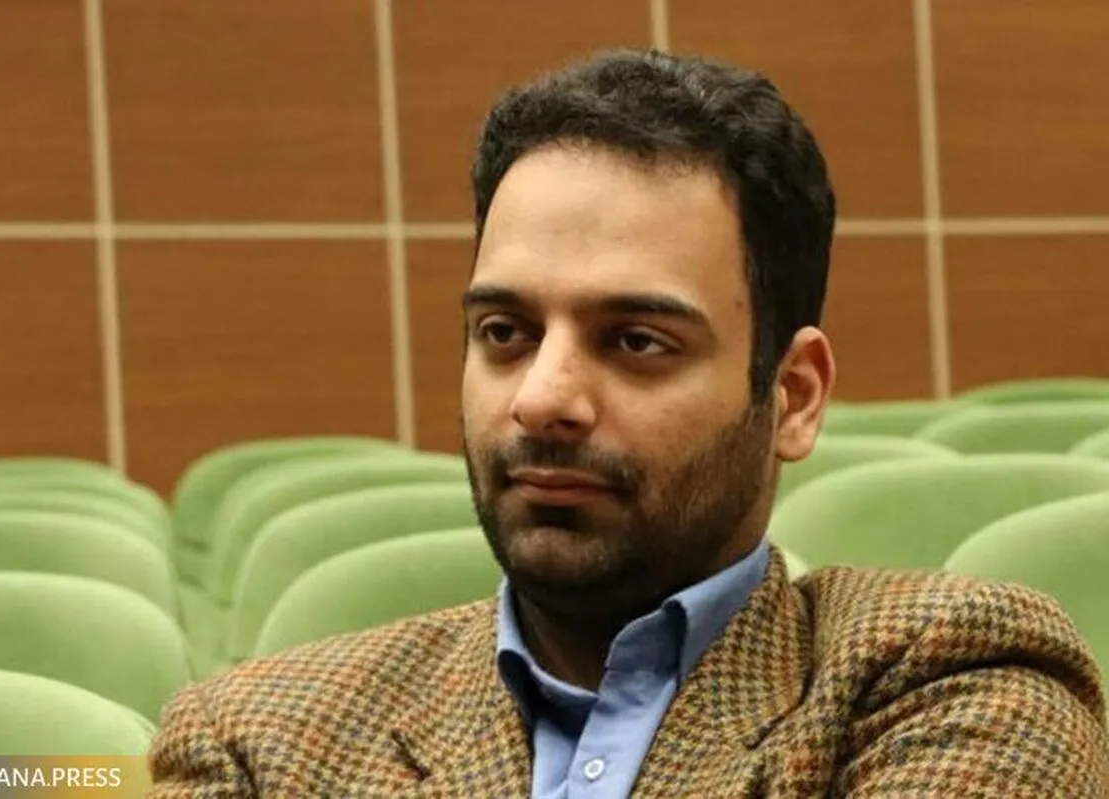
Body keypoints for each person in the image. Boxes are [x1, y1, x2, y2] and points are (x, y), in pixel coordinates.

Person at [146, 49, 1107, 797]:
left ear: (794, 394)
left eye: (637, 340)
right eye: (505, 332)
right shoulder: (258, 739)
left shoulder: (947, 681)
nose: (541, 397)